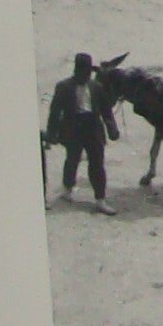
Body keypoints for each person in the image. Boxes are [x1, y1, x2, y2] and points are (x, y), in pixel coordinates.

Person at [45, 52, 119, 213]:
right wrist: (51, 135)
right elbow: (55, 112)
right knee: (72, 159)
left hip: (93, 129)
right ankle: (67, 189)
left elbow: (106, 111)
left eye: (88, 72)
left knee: (97, 164)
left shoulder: (96, 87)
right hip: (73, 128)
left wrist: (112, 128)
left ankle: (100, 199)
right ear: (76, 70)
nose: (86, 75)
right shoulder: (63, 87)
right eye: (83, 71)